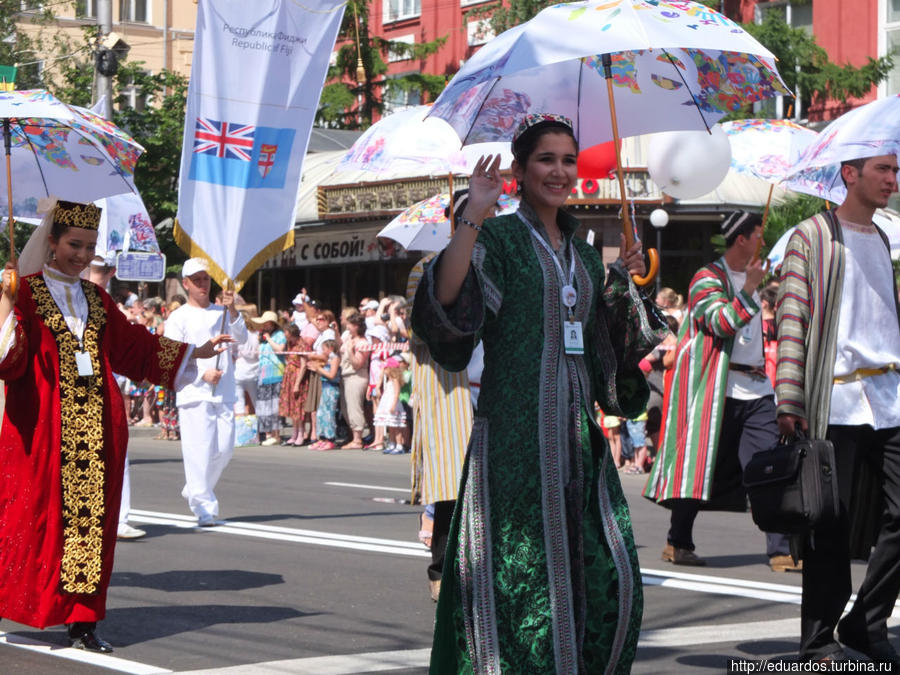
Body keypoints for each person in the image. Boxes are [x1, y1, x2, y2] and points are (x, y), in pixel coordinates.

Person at [411, 113, 665, 672]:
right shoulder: (499, 237)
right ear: (520, 171)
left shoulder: (583, 250)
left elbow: (612, 347)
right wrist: (474, 214)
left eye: (568, 160)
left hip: (578, 437)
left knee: (613, 579)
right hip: (514, 439)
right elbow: (449, 304)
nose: (559, 171)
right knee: (520, 584)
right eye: (545, 159)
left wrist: (623, 281)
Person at [0, 200, 231, 652]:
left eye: (89, 247)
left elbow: (135, 348)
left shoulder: (96, 299)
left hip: (97, 426)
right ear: (51, 242)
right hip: (41, 429)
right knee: (29, 516)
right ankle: (24, 600)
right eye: (74, 245)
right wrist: (7, 302)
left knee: (89, 525)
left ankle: (83, 620)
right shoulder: (23, 292)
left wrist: (194, 352)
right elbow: (9, 362)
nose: (82, 256)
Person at [776, 154, 900, 665]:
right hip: (837, 398)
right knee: (830, 524)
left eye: (895, 171)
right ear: (850, 174)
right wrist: (789, 396)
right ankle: (820, 640)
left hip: (890, 399)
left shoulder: (885, 237)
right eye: (884, 170)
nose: (893, 180)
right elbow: (792, 315)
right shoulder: (811, 236)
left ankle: (865, 620)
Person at [643, 211, 795, 572]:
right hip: (714, 389)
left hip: (756, 388)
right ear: (741, 238)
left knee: (767, 466)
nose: (763, 240)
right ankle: (678, 541)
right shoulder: (706, 277)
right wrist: (748, 290)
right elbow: (718, 322)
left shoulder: (760, 278)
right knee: (699, 468)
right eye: (758, 233)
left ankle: (779, 549)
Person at [164, 258, 248, 526]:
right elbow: (173, 355)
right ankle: (203, 506)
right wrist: (202, 373)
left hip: (223, 390)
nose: (202, 284)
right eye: (196, 280)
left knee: (224, 449)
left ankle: (195, 487)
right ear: (186, 283)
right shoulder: (178, 317)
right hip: (193, 392)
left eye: (205, 279)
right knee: (198, 451)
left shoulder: (222, 313)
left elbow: (243, 338)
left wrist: (232, 308)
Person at [251, 311, 286, 446]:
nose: (264, 326)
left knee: (274, 406)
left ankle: (276, 435)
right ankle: (268, 433)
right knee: (264, 405)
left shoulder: (279, 335)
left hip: (276, 373)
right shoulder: (261, 338)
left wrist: (269, 339)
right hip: (263, 374)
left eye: (266, 324)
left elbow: (280, 350)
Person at [339, 311, 369, 449]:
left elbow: (358, 363)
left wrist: (350, 351)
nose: (348, 326)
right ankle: (354, 435)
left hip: (356, 376)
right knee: (346, 408)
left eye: (350, 324)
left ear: (357, 326)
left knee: (354, 407)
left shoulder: (362, 342)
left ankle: (357, 440)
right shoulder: (349, 339)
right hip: (345, 375)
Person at [309, 339, 340, 450]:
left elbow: (331, 375)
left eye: (324, 349)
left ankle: (330, 439)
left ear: (330, 349)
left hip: (331, 388)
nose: (322, 351)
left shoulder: (335, 358)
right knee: (320, 414)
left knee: (328, 414)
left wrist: (319, 369)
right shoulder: (328, 359)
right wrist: (317, 369)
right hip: (325, 387)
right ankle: (322, 438)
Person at [374, 356, 408, 454]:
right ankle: (392, 443)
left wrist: (393, 404)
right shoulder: (389, 380)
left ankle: (399, 445)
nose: (384, 370)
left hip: (393, 404)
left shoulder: (395, 379)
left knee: (396, 426)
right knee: (391, 426)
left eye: (385, 368)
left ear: (391, 369)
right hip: (387, 403)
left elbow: (396, 393)